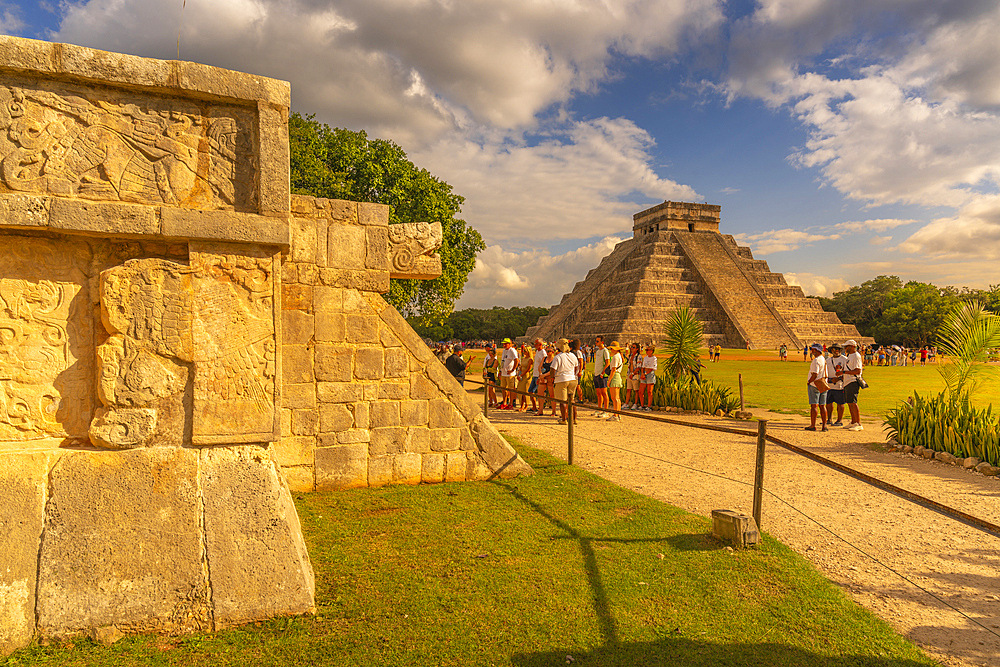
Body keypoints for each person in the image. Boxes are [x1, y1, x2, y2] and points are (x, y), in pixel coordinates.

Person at [550, 338, 579, 425]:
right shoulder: (573, 355)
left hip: (561, 379)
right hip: (572, 379)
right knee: (571, 400)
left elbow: (553, 369)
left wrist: (552, 377)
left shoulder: (558, 357)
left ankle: (564, 419)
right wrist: (573, 374)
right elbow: (576, 367)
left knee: (562, 401)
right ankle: (574, 418)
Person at [837, 339, 864, 431]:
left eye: (846, 346)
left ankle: (858, 423)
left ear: (852, 347)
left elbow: (858, 370)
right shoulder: (850, 356)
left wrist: (844, 372)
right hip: (847, 381)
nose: (845, 348)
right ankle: (853, 421)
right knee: (849, 402)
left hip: (853, 381)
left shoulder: (856, 356)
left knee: (853, 402)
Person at [805, 344, 828, 431]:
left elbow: (815, 374)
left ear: (817, 350)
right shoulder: (823, 359)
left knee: (814, 405)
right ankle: (824, 425)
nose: (812, 351)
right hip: (823, 384)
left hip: (815, 384)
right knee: (822, 405)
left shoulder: (816, 360)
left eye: (813, 349)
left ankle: (813, 425)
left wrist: (809, 381)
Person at [824, 343, 847, 426]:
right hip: (829, 384)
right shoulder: (828, 360)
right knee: (828, 403)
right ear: (831, 351)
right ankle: (829, 419)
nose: (836, 351)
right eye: (834, 349)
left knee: (840, 403)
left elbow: (847, 373)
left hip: (840, 385)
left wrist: (838, 378)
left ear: (840, 350)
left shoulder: (845, 359)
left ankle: (839, 420)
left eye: (838, 349)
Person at [498, 338, 519, 409]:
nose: (504, 345)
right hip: (504, 372)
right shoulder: (504, 350)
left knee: (511, 388)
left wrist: (513, 369)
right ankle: (504, 402)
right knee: (503, 388)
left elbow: (517, 360)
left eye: (505, 344)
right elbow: (502, 361)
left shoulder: (512, 350)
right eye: (503, 343)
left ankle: (511, 403)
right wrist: (500, 371)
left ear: (509, 344)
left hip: (510, 373)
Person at [605, 342, 624, 421]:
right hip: (617, 375)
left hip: (615, 376)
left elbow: (613, 369)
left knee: (614, 397)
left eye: (612, 348)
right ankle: (617, 414)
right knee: (617, 398)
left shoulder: (616, 357)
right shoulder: (618, 356)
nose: (611, 350)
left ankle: (616, 415)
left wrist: (609, 380)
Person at [593, 336, 611, 417]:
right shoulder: (598, 351)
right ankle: (599, 409)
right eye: (596, 341)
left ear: (602, 342)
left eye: (597, 341)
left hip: (602, 375)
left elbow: (608, 363)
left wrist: (603, 373)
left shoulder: (605, 351)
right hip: (596, 374)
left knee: (604, 393)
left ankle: (606, 411)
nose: (596, 342)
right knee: (598, 393)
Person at [639, 344, 658, 411]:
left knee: (649, 391)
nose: (646, 351)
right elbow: (643, 367)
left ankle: (649, 406)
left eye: (647, 350)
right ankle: (642, 406)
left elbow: (651, 368)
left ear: (652, 351)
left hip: (650, 375)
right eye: (646, 350)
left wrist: (645, 373)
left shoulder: (654, 358)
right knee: (641, 392)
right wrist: (642, 374)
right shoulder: (646, 358)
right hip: (644, 374)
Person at [529, 338, 545, 412]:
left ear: (540, 344)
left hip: (539, 375)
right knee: (530, 391)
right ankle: (534, 407)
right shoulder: (537, 351)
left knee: (539, 393)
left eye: (536, 344)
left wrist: (540, 375)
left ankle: (540, 408)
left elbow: (543, 365)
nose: (534, 345)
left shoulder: (543, 353)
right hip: (535, 374)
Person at [516, 343, 533, 411]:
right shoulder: (524, 358)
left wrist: (521, 374)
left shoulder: (530, 359)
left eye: (525, 351)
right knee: (520, 391)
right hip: (521, 375)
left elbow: (528, 369)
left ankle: (526, 406)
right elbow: (521, 367)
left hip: (526, 376)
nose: (524, 352)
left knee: (526, 391)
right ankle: (521, 405)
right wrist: (518, 374)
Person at [625, 343, 641, 409]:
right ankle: (626, 404)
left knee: (636, 390)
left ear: (637, 349)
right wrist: (628, 375)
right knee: (628, 389)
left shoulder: (639, 356)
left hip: (635, 375)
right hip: (630, 375)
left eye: (633, 347)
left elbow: (638, 367)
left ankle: (635, 404)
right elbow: (629, 366)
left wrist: (632, 373)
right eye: (631, 347)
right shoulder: (630, 355)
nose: (631, 348)